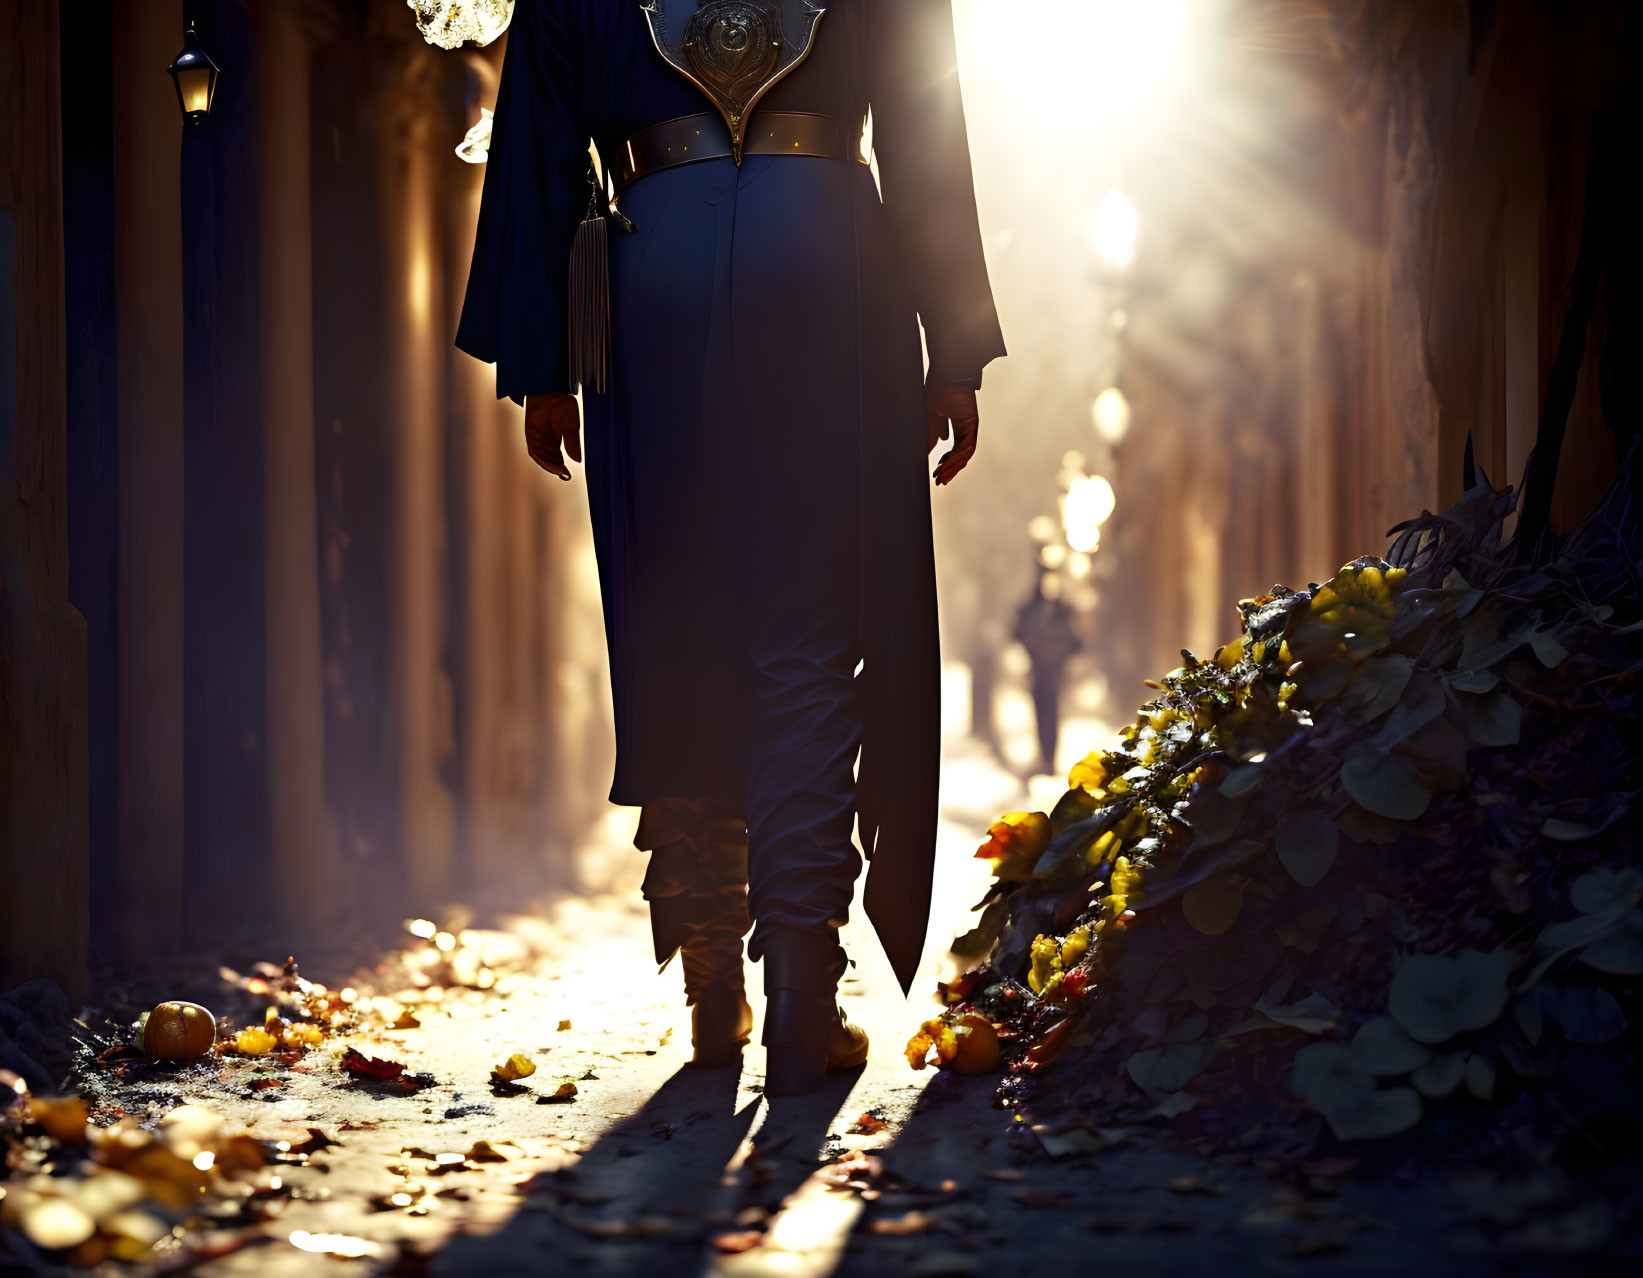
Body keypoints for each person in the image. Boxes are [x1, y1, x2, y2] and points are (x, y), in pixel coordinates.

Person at [456, 0, 1004, 1097]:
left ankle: (713, 984)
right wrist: (952, 342)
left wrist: (541, 361)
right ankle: (801, 987)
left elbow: (540, 139)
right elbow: (922, 121)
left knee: (678, 622)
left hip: (650, 263)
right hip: (829, 259)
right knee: (807, 635)